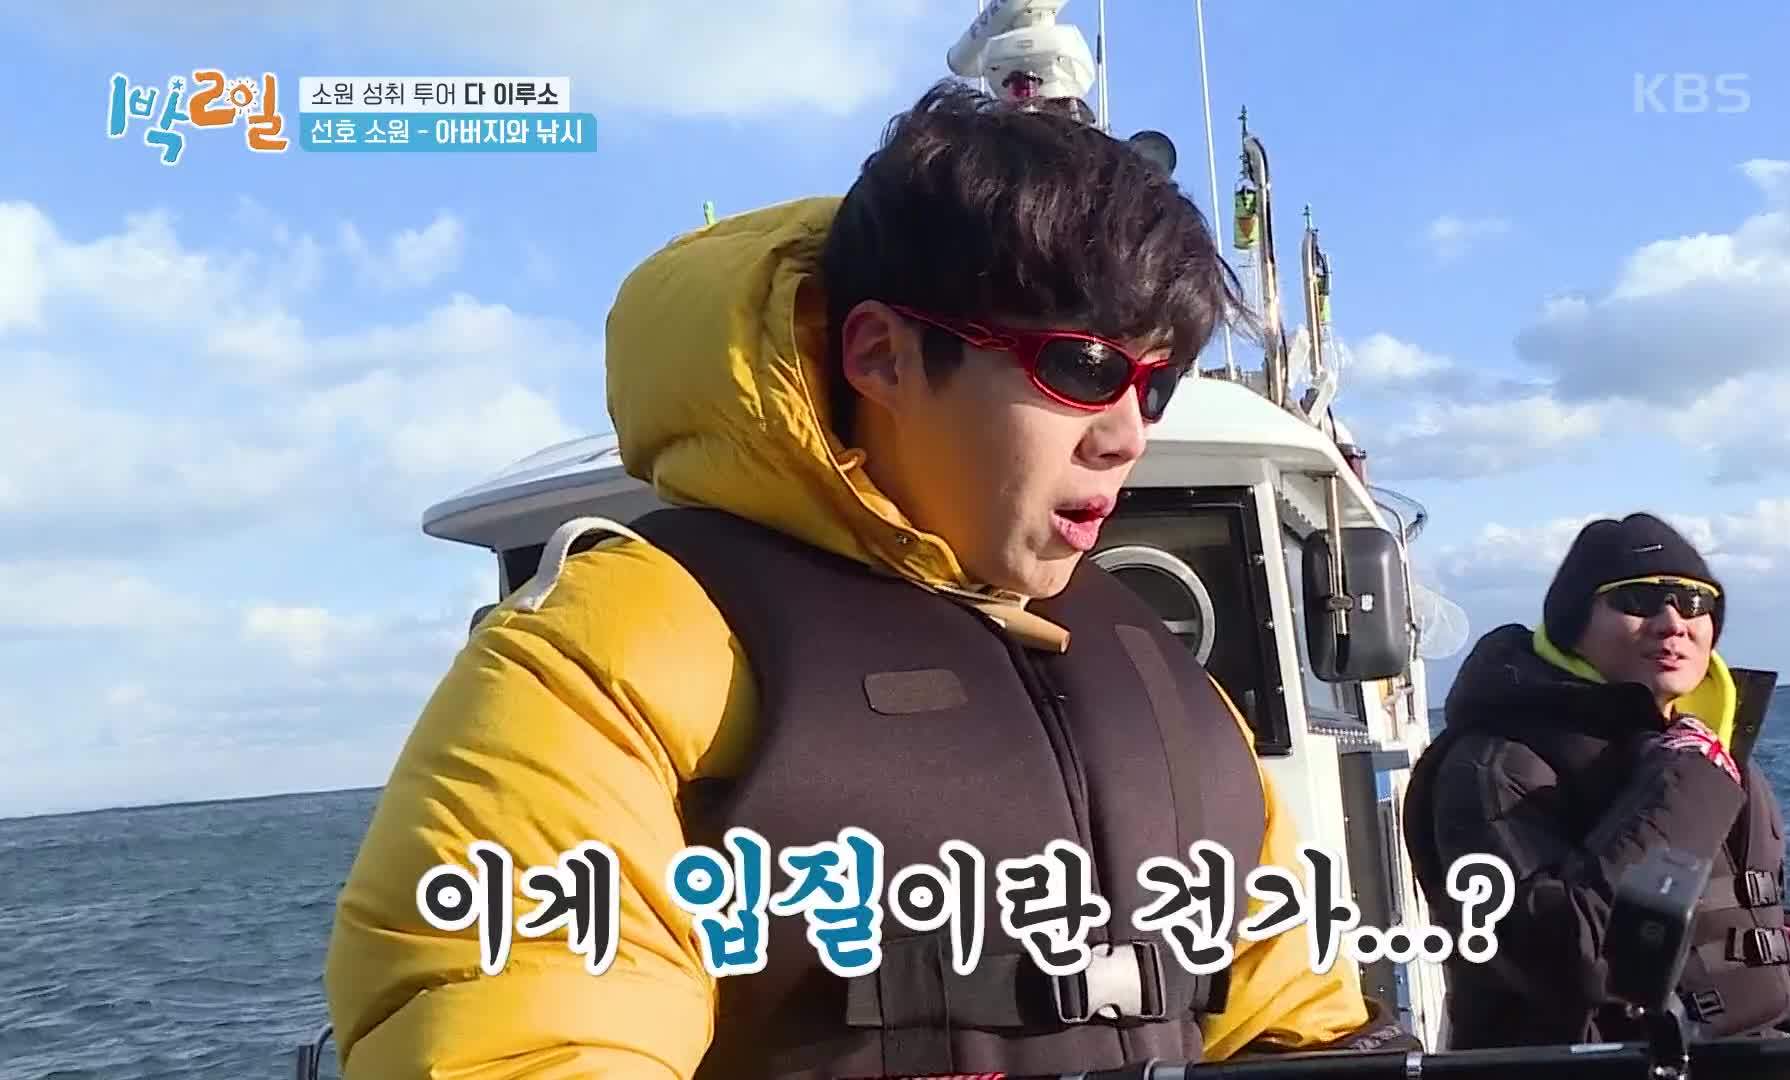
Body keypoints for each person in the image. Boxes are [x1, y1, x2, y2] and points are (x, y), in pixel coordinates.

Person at [323, 80, 1377, 1079]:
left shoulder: (1176, 695)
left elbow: (1293, 1018)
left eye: (1154, 384)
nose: (1125, 435)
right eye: (1082, 368)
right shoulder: (608, 661)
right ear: (880, 356)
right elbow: (523, 1039)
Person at [1402, 512, 1790, 1049]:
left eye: (1694, 602)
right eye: (1638, 600)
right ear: (1574, 624)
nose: (1673, 622)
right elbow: (1562, 957)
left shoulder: (1706, 748)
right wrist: (1687, 783)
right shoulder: (1493, 765)